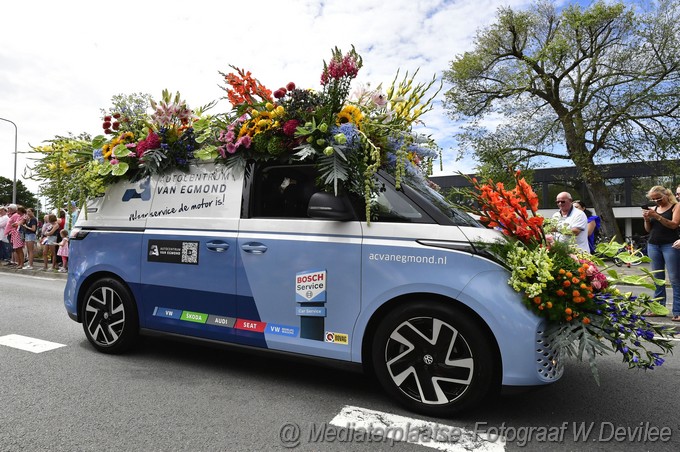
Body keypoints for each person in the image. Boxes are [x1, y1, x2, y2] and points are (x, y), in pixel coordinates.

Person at [642, 185, 680, 320]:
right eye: (654, 200)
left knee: (675, 278)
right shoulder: (654, 209)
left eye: (659, 198)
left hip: (670, 244)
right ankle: (658, 308)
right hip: (653, 244)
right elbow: (648, 230)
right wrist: (647, 219)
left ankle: (678, 311)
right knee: (657, 278)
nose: (657, 202)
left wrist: (657, 216)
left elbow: (674, 224)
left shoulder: (676, 207)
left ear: (666, 195)